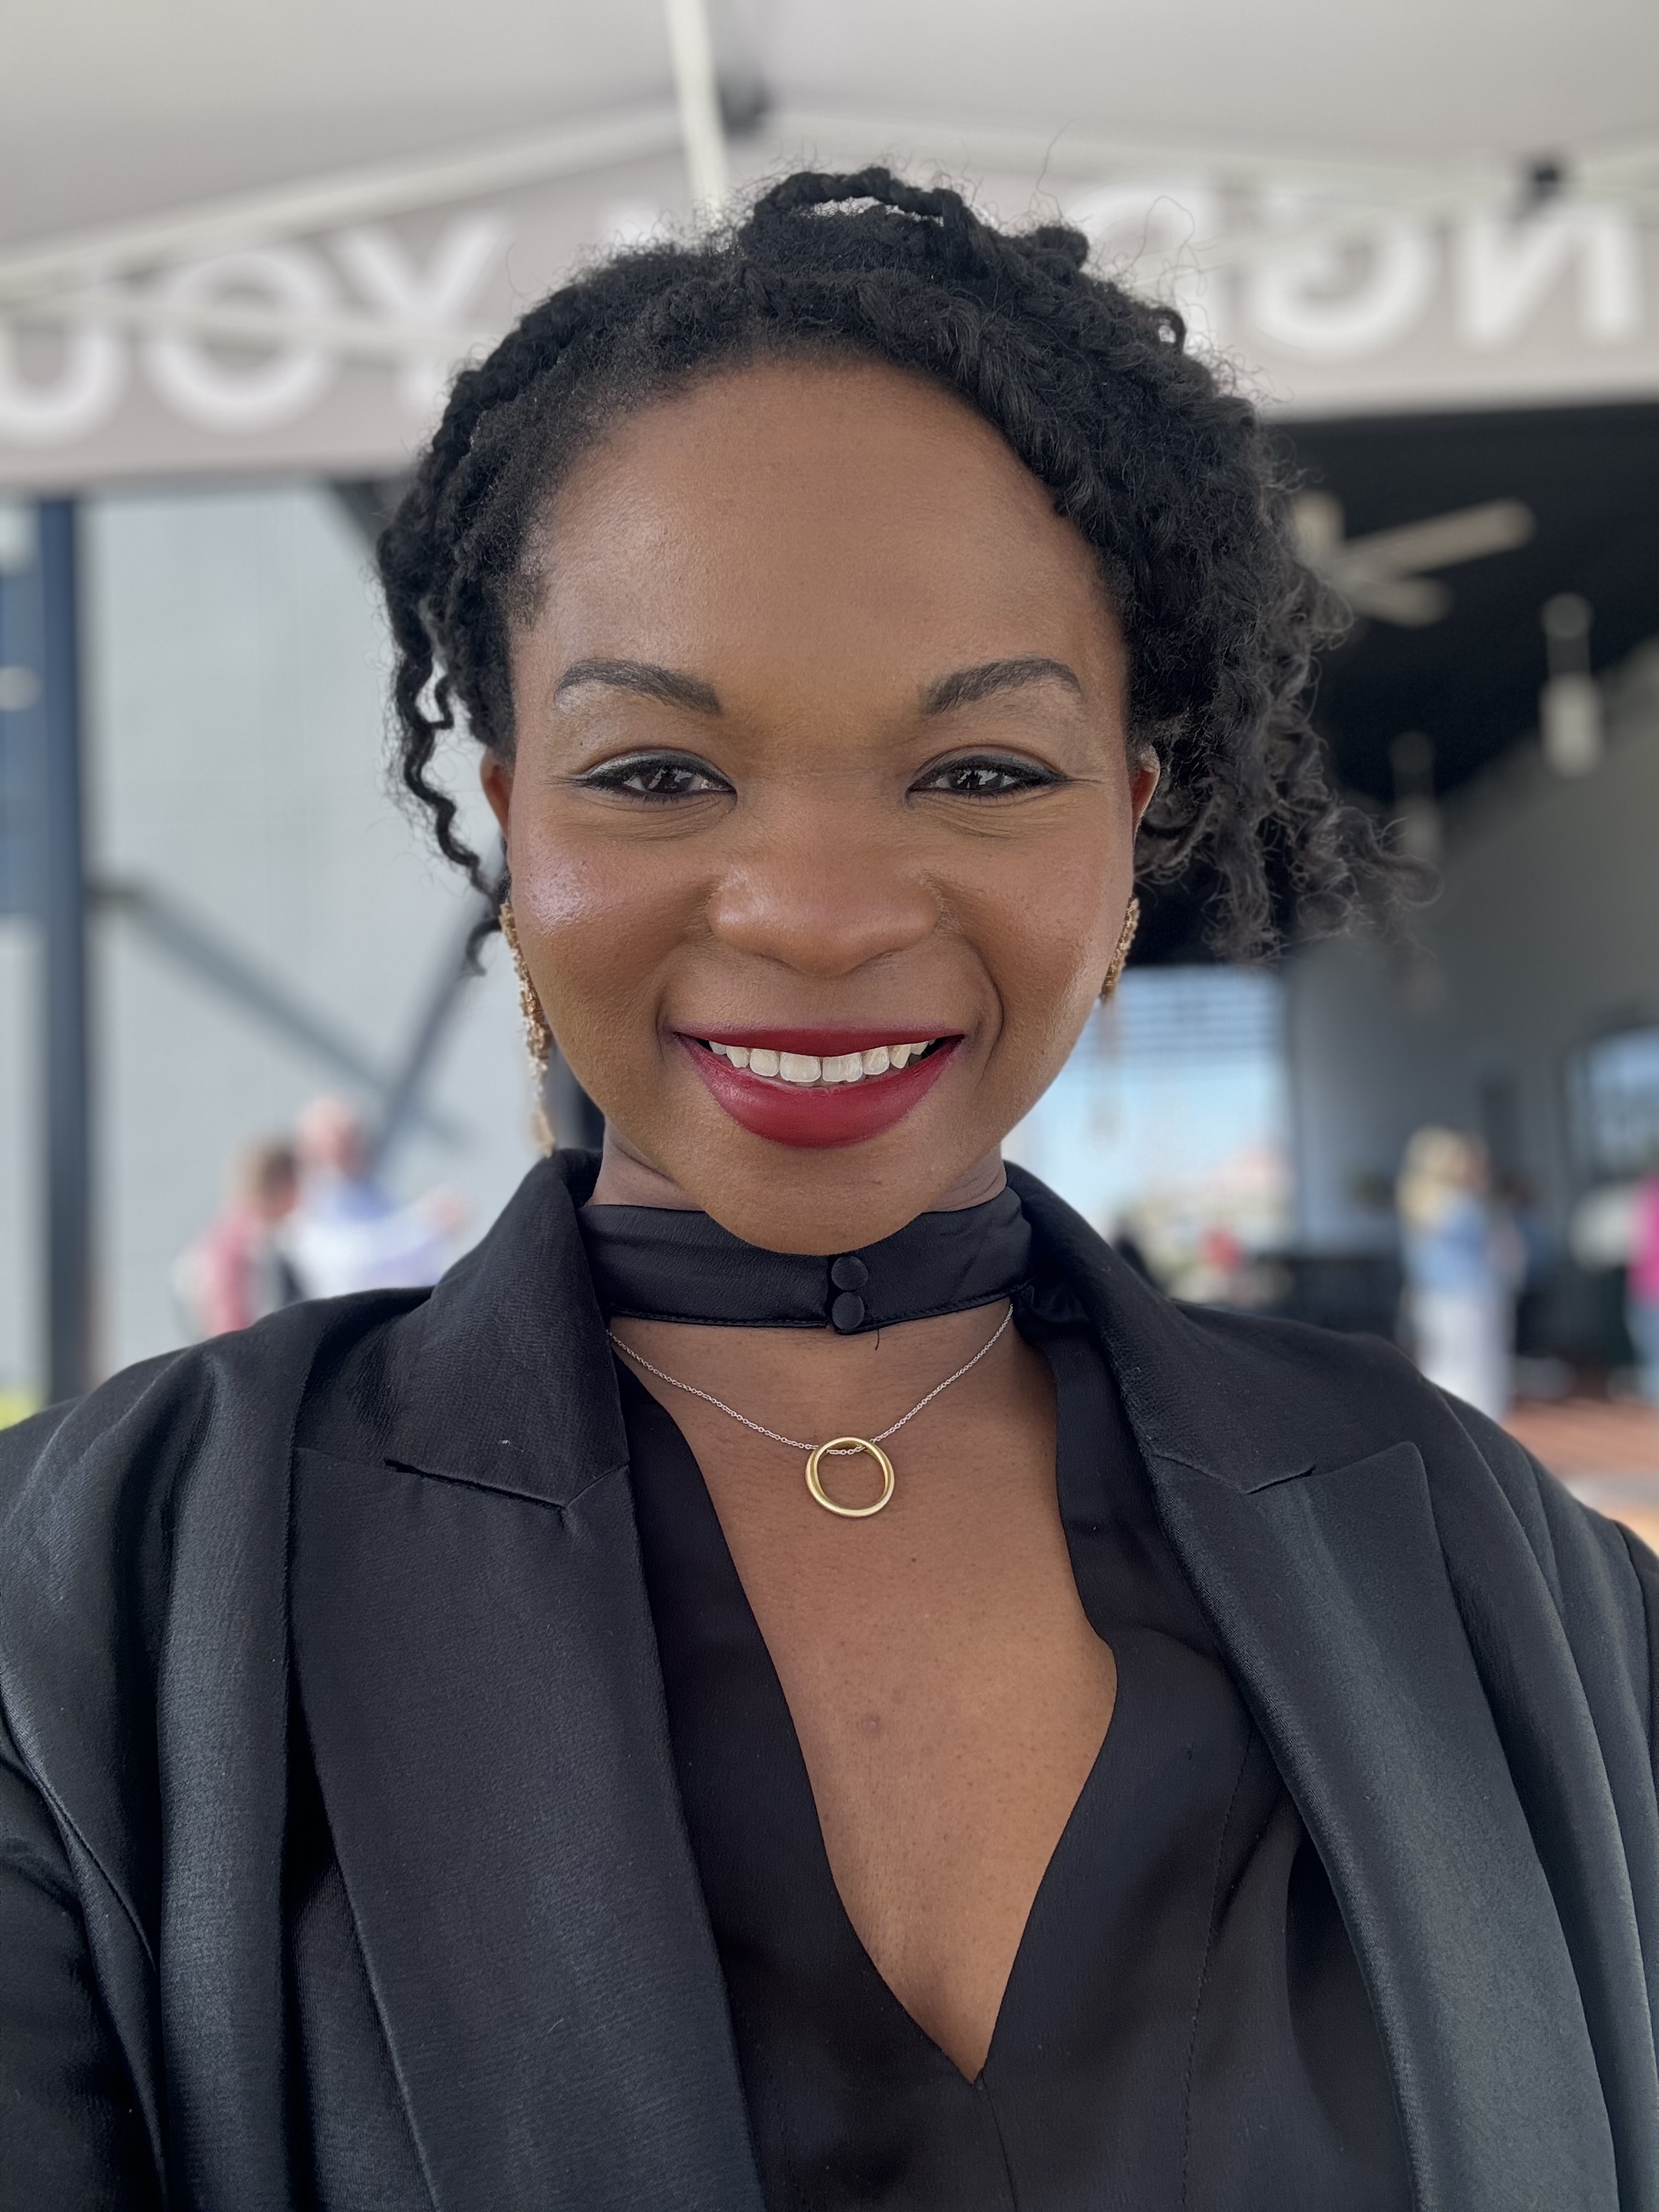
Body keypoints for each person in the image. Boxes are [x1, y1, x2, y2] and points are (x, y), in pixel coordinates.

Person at [3, 173, 1656, 2212]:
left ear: (1124, 828)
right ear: (511, 821)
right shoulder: (102, 1608)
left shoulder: (1492, 1568)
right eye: (654, 774)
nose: (815, 914)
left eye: (981, 773)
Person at [1396, 1127, 1524, 1420]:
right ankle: (1479, 1430)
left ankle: (1446, 1427)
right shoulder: (1460, 1207)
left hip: (1434, 1297)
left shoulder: (1421, 1200)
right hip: (1469, 1296)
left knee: (1444, 1366)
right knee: (1478, 1370)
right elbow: (1499, 1247)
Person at [284, 1092, 462, 1297]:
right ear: (313, 1147)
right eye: (342, 1137)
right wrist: (427, 1224)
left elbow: (422, 1262)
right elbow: (355, 1267)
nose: (355, 1144)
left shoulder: (369, 1190)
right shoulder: (306, 1206)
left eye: (356, 1134)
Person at [170, 1137, 303, 1337]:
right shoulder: (235, 1245)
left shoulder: (266, 1236)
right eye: (298, 1181)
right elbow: (230, 1333)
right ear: (280, 1185)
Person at [1629, 1163, 1659, 1403]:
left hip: (1649, 1287)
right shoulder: (1648, 1192)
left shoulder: (1648, 1193)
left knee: (1652, 1352)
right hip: (1647, 1286)